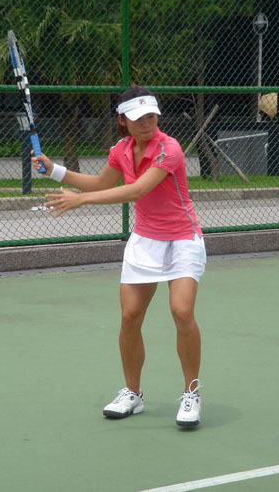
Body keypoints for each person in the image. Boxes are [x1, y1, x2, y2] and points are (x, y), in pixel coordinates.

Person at [32, 86, 206, 427]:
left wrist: (80, 200)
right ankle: (133, 394)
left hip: (183, 239)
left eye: (152, 116)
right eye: (139, 118)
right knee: (130, 316)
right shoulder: (121, 150)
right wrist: (54, 170)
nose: (147, 123)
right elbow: (101, 183)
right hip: (145, 240)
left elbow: (137, 189)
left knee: (182, 311)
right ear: (123, 120)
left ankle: (191, 393)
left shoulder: (169, 149)